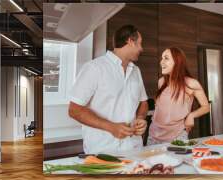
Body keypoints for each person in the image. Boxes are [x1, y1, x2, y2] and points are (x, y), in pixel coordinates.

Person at [68, 24, 148, 154]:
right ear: (130, 41)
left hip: (134, 148)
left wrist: (140, 118)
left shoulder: (136, 71)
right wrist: (111, 127)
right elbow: (74, 110)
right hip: (103, 151)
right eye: (139, 43)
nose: (142, 48)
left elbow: (143, 102)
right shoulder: (94, 68)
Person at [147, 47, 209, 145]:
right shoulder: (161, 82)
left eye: (166, 58)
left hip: (177, 137)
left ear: (177, 61)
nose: (161, 62)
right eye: (161, 58)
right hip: (153, 136)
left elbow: (206, 107)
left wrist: (191, 115)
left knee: (177, 160)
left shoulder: (191, 83)